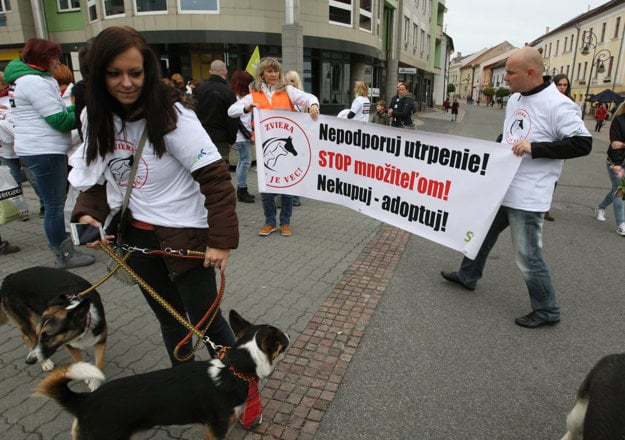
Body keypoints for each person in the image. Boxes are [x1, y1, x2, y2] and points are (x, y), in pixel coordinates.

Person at [68, 26, 238, 367]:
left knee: (206, 322)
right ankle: (188, 385)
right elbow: (101, 176)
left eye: (135, 73)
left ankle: (241, 386)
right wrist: (88, 214)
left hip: (184, 235)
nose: (126, 83)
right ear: (97, 75)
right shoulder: (94, 117)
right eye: (114, 74)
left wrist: (220, 241)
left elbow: (216, 179)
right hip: (136, 239)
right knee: (171, 321)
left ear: (148, 70)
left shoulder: (174, 116)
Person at [440, 47, 592, 329]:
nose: (505, 78)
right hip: (503, 186)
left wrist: (534, 148)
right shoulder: (514, 99)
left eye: (510, 72)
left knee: (527, 255)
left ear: (531, 72)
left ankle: (547, 309)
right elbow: (511, 134)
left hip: (528, 194)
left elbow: (583, 143)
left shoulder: (559, 105)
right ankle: (468, 275)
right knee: (481, 233)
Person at [4, 38, 94, 269]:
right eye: (54, 57)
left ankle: (62, 251)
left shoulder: (28, 80)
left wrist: (80, 106)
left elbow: (56, 111)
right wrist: (87, 111)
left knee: (52, 203)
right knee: (54, 206)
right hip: (44, 150)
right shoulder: (34, 82)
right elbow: (59, 120)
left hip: (38, 148)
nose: (57, 62)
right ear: (44, 59)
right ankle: (64, 255)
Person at [228, 57, 320, 237]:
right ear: (262, 73)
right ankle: (270, 222)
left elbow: (308, 97)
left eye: (276, 71)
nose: (274, 74)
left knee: (286, 187)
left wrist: (314, 105)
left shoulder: (288, 91)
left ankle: (285, 222)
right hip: (264, 149)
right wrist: (247, 108)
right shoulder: (253, 93)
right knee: (267, 188)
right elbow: (231, 111)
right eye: (269, 71)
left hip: (285, 148)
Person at [193, 60, 238, 163]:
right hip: (221, 138)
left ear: (210, 71)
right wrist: (231, 139)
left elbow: (192, 112)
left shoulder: (199, 89)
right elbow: (233, 118)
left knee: (203, 166)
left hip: (201, 137)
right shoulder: (228, 92)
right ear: (225, 72)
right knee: (221, 170)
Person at [595, 101, 625, 236]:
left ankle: (601, 208)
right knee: (620, 190)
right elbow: (614, 144)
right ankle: (621, 224)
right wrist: (617, 164)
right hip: (616, 162)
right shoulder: (619, 121)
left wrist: (623, 145)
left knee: (615, 190)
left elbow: (620, 144)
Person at [229, 69, 255, 203]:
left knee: (242, 161)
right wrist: (248, 134)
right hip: (241, 135)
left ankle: (241, 188)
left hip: (241, 134)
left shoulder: (238, 96)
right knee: (245, 162)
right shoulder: (240, 98)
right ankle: (242, 189)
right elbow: (235, 117)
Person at [284, 70, 307, 206]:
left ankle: (296, 198)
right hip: (287, 137)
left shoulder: (301, 98)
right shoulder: (283, 96)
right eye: (287, 81)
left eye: (292, 81)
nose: (290, 84)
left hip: (298, 138)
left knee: (296, 168)